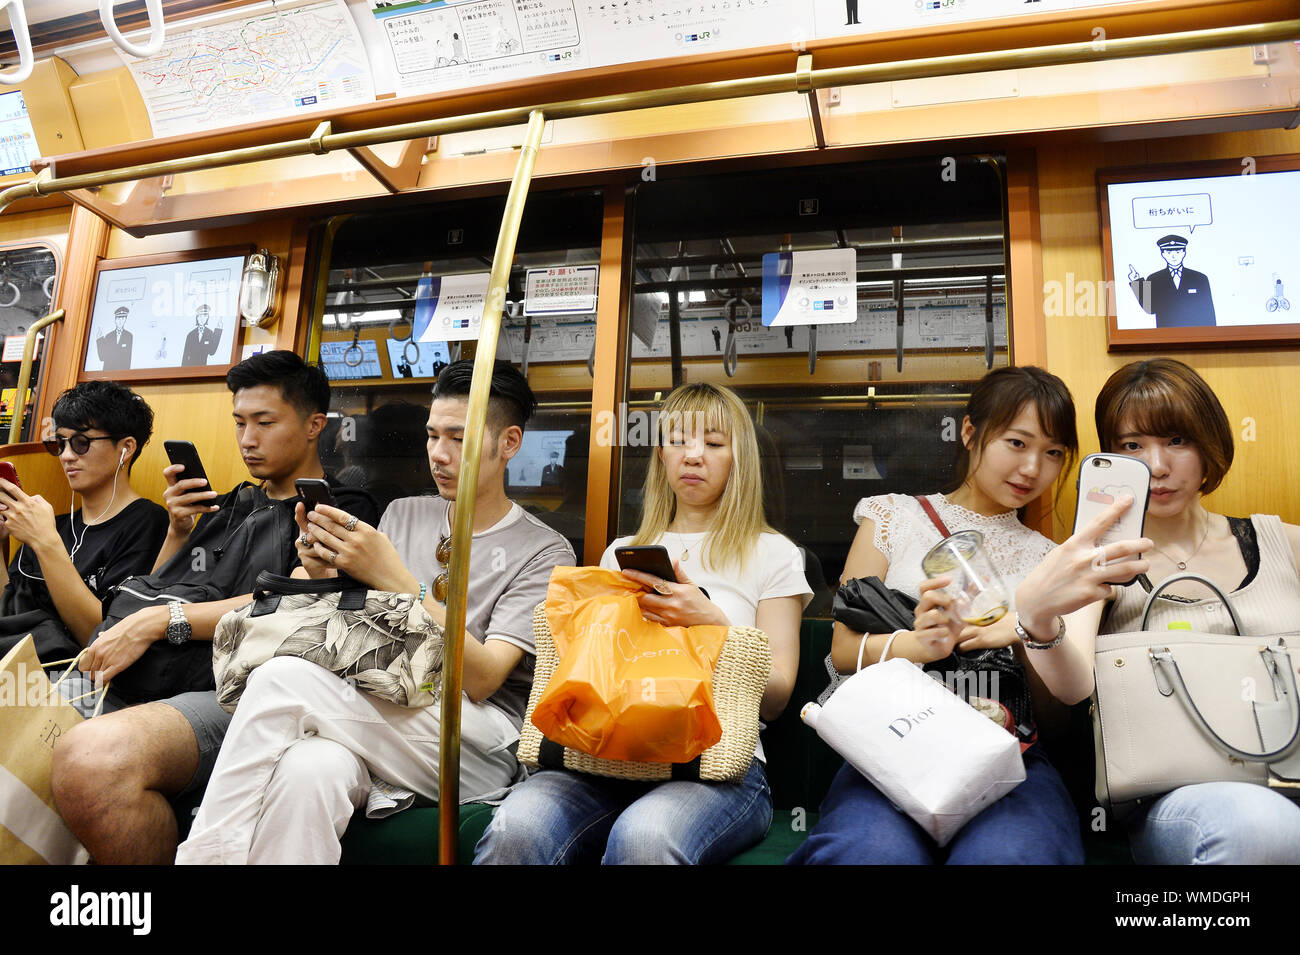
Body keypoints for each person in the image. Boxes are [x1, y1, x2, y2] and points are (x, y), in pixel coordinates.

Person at [174, 359, 574, 865]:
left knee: (280, 680)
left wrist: (400, 580)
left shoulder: (544, 550)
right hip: (381, 699)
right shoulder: (406, 512)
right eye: (432, 436)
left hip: (477, 736)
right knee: (308, 771)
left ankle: (205, 856)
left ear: (509, 443)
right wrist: (318, 571)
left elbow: (483, 679)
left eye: (458, 438)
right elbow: (358, 620)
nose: (439, 454)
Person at [51, 350, 378, 865]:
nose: (247, 439)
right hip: (155, 669)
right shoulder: (228, 504)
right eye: (239, 422)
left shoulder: (341, 510)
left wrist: (160, 622)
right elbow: (162, 583)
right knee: (15, 714)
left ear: (316, 425)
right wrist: (179, 533)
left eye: (264, 423)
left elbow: (287, 604)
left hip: (238, 690)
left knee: (93, 760)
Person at [476, 381, 809, 865]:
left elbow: (777, 697)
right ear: (660, 455)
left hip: (717, 765)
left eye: (713, 444)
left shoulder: (771, 553)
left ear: (740, 458)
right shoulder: (623, 551)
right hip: (608, 754)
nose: (693, 456)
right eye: (679, 442)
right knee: (516, 827)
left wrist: (710, 623)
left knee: (645, 836)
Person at [790, 365, 1096, 865]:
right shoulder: (892, 516)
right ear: (971, 432)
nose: (1032, 468)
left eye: (1053, 452)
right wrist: (924, 643)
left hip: (1006, 746)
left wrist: (1025, 634)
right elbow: (842, 651)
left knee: (1010, 858)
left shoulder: (1051, 560)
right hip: (895, 741)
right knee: (869, 855)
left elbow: (1058, 719)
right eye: (1017, 443)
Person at [1013, 358, 1300, 864]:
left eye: (1176, 440)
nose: (1157, 466)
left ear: (1209, 443)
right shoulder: (1100, 560)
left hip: (1291, 769)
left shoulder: (1285, 543)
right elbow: (1075, 686)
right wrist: (1038, 622)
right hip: (1181, 796)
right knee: (1259, 829)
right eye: (1132, 446)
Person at [0, 382, 168, 662]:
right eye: (59, 443)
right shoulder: (54, 524)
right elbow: (9, 614)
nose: (66, 456)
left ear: (126, 448)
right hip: (18, 666)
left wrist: (46, 543)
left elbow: (102, 634)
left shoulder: (149, 523)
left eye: (81, 443)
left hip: (75, 678)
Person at [1127, 234, 1217, 328]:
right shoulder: (1154, 278)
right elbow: (1150, 309)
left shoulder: (1199, 278)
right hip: (1166, 336)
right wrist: (1137, 281)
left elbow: (1208, 311)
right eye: (1169, 253)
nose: (1173, 256)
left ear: (1184, 253)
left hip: (1194, 334)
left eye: (1177, 252)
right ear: (1163, 254)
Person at [96, 306, 133, 371]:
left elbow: (128, 359)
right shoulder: (109, 336)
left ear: (125, 320)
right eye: (118, 318)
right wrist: (99, 340)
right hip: (108, 374)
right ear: (115, 320)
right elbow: (102, 357)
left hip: (122, 374)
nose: (120, 321)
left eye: (123, 318)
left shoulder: (129, 336)